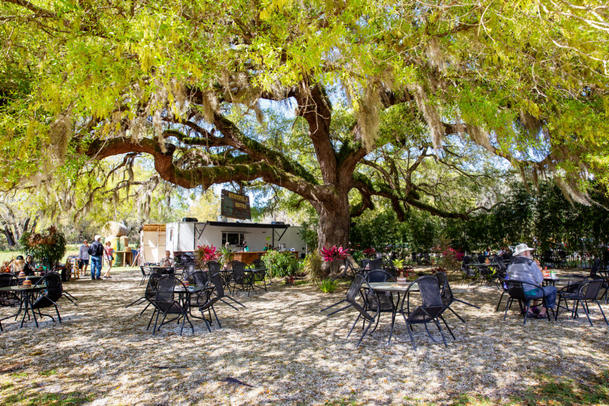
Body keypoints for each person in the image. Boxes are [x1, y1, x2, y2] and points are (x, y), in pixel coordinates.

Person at [506, 243, 557, 318]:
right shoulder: (530, 263)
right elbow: (539, 279)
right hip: (529, 293)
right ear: (526, 252)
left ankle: (528, 310)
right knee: (552, 289)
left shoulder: (510, 263)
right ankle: (542, 313)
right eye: (529, 251)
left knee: (525, 286)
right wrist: (538, 270)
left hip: (515, 292)